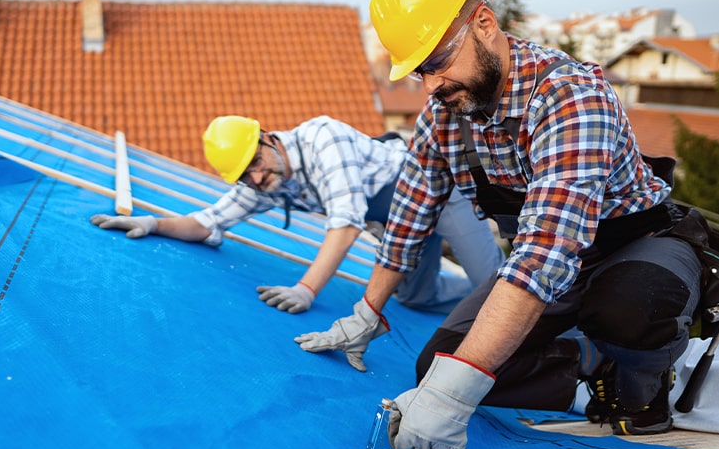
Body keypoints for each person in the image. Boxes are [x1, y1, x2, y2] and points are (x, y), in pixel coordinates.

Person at [294, 0, 705, 449]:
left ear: (484, 24)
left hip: (637, 243)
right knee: (437, 365)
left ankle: (646, 384)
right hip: (551, 260)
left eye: (437, 61)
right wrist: (368, 311)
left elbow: (545, 254)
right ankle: (592, 366)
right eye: (420, 71)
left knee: (630, 307)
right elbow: (408, 217)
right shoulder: (445, 116)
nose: (431, 85)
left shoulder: (570, 97)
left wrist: (452, 398)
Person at [91, 115, 504, 336]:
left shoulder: (324, 139)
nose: (255, 177)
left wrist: (306, 289)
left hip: (436, 193)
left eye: (255, 163)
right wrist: (153, 222)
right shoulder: (267, 180)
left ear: (269, 138)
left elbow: (346, 224)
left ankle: (543, 348)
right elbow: (206, 223)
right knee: (417, 298)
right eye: (245, 176)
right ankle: (470, 296)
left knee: (497, 288)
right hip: (397, 221)